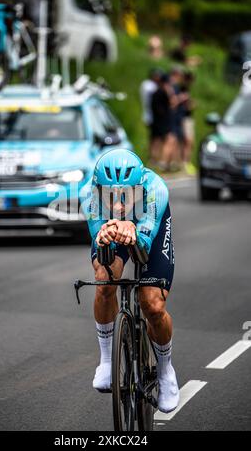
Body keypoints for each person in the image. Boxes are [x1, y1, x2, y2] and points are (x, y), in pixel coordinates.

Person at [80, 149, 180, 414]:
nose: (118, 205)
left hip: (148, 229)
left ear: (139, 188)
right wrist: (104, 236)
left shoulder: (155, 189)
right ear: (98, 190)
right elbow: (100, 244)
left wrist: (135, 231)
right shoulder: (86, 195)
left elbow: (144, 245)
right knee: (104, 280)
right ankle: (107, 360)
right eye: (110, 196)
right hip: (113, 230)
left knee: (153, 304)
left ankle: (165, 369)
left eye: (126, 196)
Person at [151, 73, 177, 171]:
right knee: (169, 140)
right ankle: (163, 162)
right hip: (164, 121)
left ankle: (157, 162)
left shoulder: (155, 92)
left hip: (158, 121)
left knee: (157, 142)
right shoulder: (164, 92)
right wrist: (170, 92)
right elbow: (173, 102)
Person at [140, 68, 162, 163]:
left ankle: (154, 157)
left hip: (150, 114)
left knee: (154, 137)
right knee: (155, 137)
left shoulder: (146, 84)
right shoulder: (149, 85)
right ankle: (153, 158)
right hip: (152, 115)